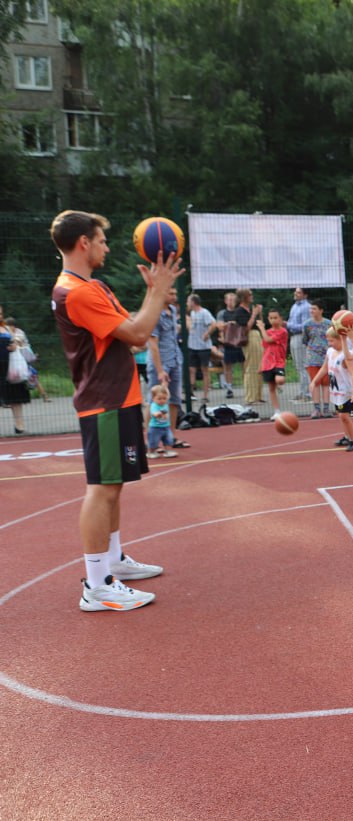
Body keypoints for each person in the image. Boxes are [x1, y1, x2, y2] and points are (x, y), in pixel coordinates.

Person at [50, 210, 177, 611]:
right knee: (101, 489)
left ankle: (114, 561)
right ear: (84, 243)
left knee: (114, 485)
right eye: (102, 240)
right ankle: (96, 584)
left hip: (117, 398)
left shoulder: (94, 286)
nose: (107, 246)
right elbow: (140, 333)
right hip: (103, 402)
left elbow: (134, 334)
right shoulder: (77, 292)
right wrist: (157, 291)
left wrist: (153, 295)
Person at [147, 285, 190, 449]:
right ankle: (151, 439)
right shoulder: (154, 313)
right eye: (170, 293)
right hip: (161, 363)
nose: (174, 296)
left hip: (175, 360)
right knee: (154, 401)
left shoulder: (172, 310)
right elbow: (153, 343)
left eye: (174, 292)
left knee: (174, 401)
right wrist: (160, 370)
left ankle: (170, 437)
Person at [312, 326, 353, 452]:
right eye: (328, 341)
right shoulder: (330, 352)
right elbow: (324, 367)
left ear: (340, 339)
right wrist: (315, 381)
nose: (329, 343)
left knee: (344, 416)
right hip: (336, 390)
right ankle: (346, 436)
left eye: (332, 340)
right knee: (340, 415)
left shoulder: (345, 355)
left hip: (346, 391)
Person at [256, 309, 289, 420]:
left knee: (279, 380)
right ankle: (277, 411)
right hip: (267, 363)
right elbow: (265, 348)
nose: (273, 320)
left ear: (280, 319)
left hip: (279, 362)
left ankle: (279, 383)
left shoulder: (283, 331)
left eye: (275, 317)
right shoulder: (268, 331)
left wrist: (261, 328)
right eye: (271, 318)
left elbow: (269, 340)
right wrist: (261, 364)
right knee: (271, 388)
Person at [0, 317, 31, 434]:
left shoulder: (6, 328)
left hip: (10, 368)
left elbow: (17, 341)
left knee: (15, 396)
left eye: (1, 313)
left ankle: (19, 425)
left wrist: (14, 344)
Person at [303, 301, 332, 419]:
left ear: (321, 310)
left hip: (326, 356)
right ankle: (316, 409)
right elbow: (305, 339)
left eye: (314, 309)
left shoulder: (328, 324)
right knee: (315, 382)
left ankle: (326, 408)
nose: (312, 311)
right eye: (311, 309)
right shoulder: (307, 325)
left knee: (326, 383)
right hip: (312, 357)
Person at [185, 294, 216, 403]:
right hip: (193, 345)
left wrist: (207, 333)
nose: (187, 303)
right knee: (191, 369)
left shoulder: (204, 312)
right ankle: (191, 392)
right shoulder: (192, 313)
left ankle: (205, 395)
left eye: (188, 301)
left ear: (193, 302)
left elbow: (213, 324)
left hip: (203, 346)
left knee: (204, 370)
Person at [286, 287, 312, 403]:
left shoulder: (306, 307)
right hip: (293, 336)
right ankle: (302, 392)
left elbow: (304, 325)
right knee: (298, 366)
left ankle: (306, 393)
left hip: (300, 336)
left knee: (302, 365)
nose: (296, 294)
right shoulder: (294, 306)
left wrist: (288, 325)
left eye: (299, 292)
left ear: (305, 295)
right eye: (295, 292)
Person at [216, 291, 241, 397]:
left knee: (244, 365)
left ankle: (247, 386)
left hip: (239, 341)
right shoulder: (222, 313)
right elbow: (219, 326)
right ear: (226, 301)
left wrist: (235, 324)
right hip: (227, 342)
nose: (231, 302)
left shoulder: (239, 312)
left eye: (233, 300)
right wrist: (228, 324)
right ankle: (229, 388)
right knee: (227, 366)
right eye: (229, 300)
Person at [146, 384, 178, 459]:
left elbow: (168, 394)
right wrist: (158, 413)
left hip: (165, 426)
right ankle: (151, 452)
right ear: (153, 398)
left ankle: (168, 451)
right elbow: (154, 413)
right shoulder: (154, 405)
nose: (162, 400)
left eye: (164, 398)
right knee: (153, 440)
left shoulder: (165, 405)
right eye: (159, 399)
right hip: (155, 427)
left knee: (168, 439)